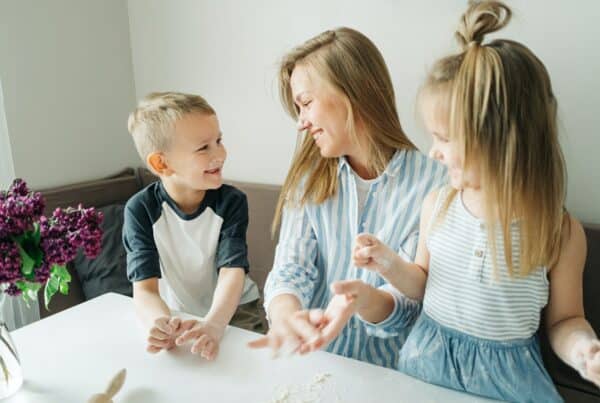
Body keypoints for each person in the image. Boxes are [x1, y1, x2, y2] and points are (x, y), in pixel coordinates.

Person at [325, 2, 600, 401]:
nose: (433, 152)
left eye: (445, 138)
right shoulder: (437, 205)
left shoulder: (558, 231)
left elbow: (566, 319)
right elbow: (420, 283)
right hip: (426, 367)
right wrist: (388, 263)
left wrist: (584, 350)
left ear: (501, 142)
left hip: (507, 385)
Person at [248, 27, 446, 368]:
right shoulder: (307, 179)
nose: (301, 123)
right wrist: (285, 316)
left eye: (306, 103)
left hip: (393, 375)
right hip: (315, 363)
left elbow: (411, 302)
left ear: (354, 92)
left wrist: (362, 300)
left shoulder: (435, 183)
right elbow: (291, 268)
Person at [124, 92, 263, 360]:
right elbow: (145, 290)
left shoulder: (231, 202)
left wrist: (214, 324)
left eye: (219, 141)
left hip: (236, 309)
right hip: (179, 314)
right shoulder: (139, 210)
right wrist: (159, 323)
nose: (220, 153)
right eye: (204, 148)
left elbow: (232, 273)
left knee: (245, 367)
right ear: (161, 163)